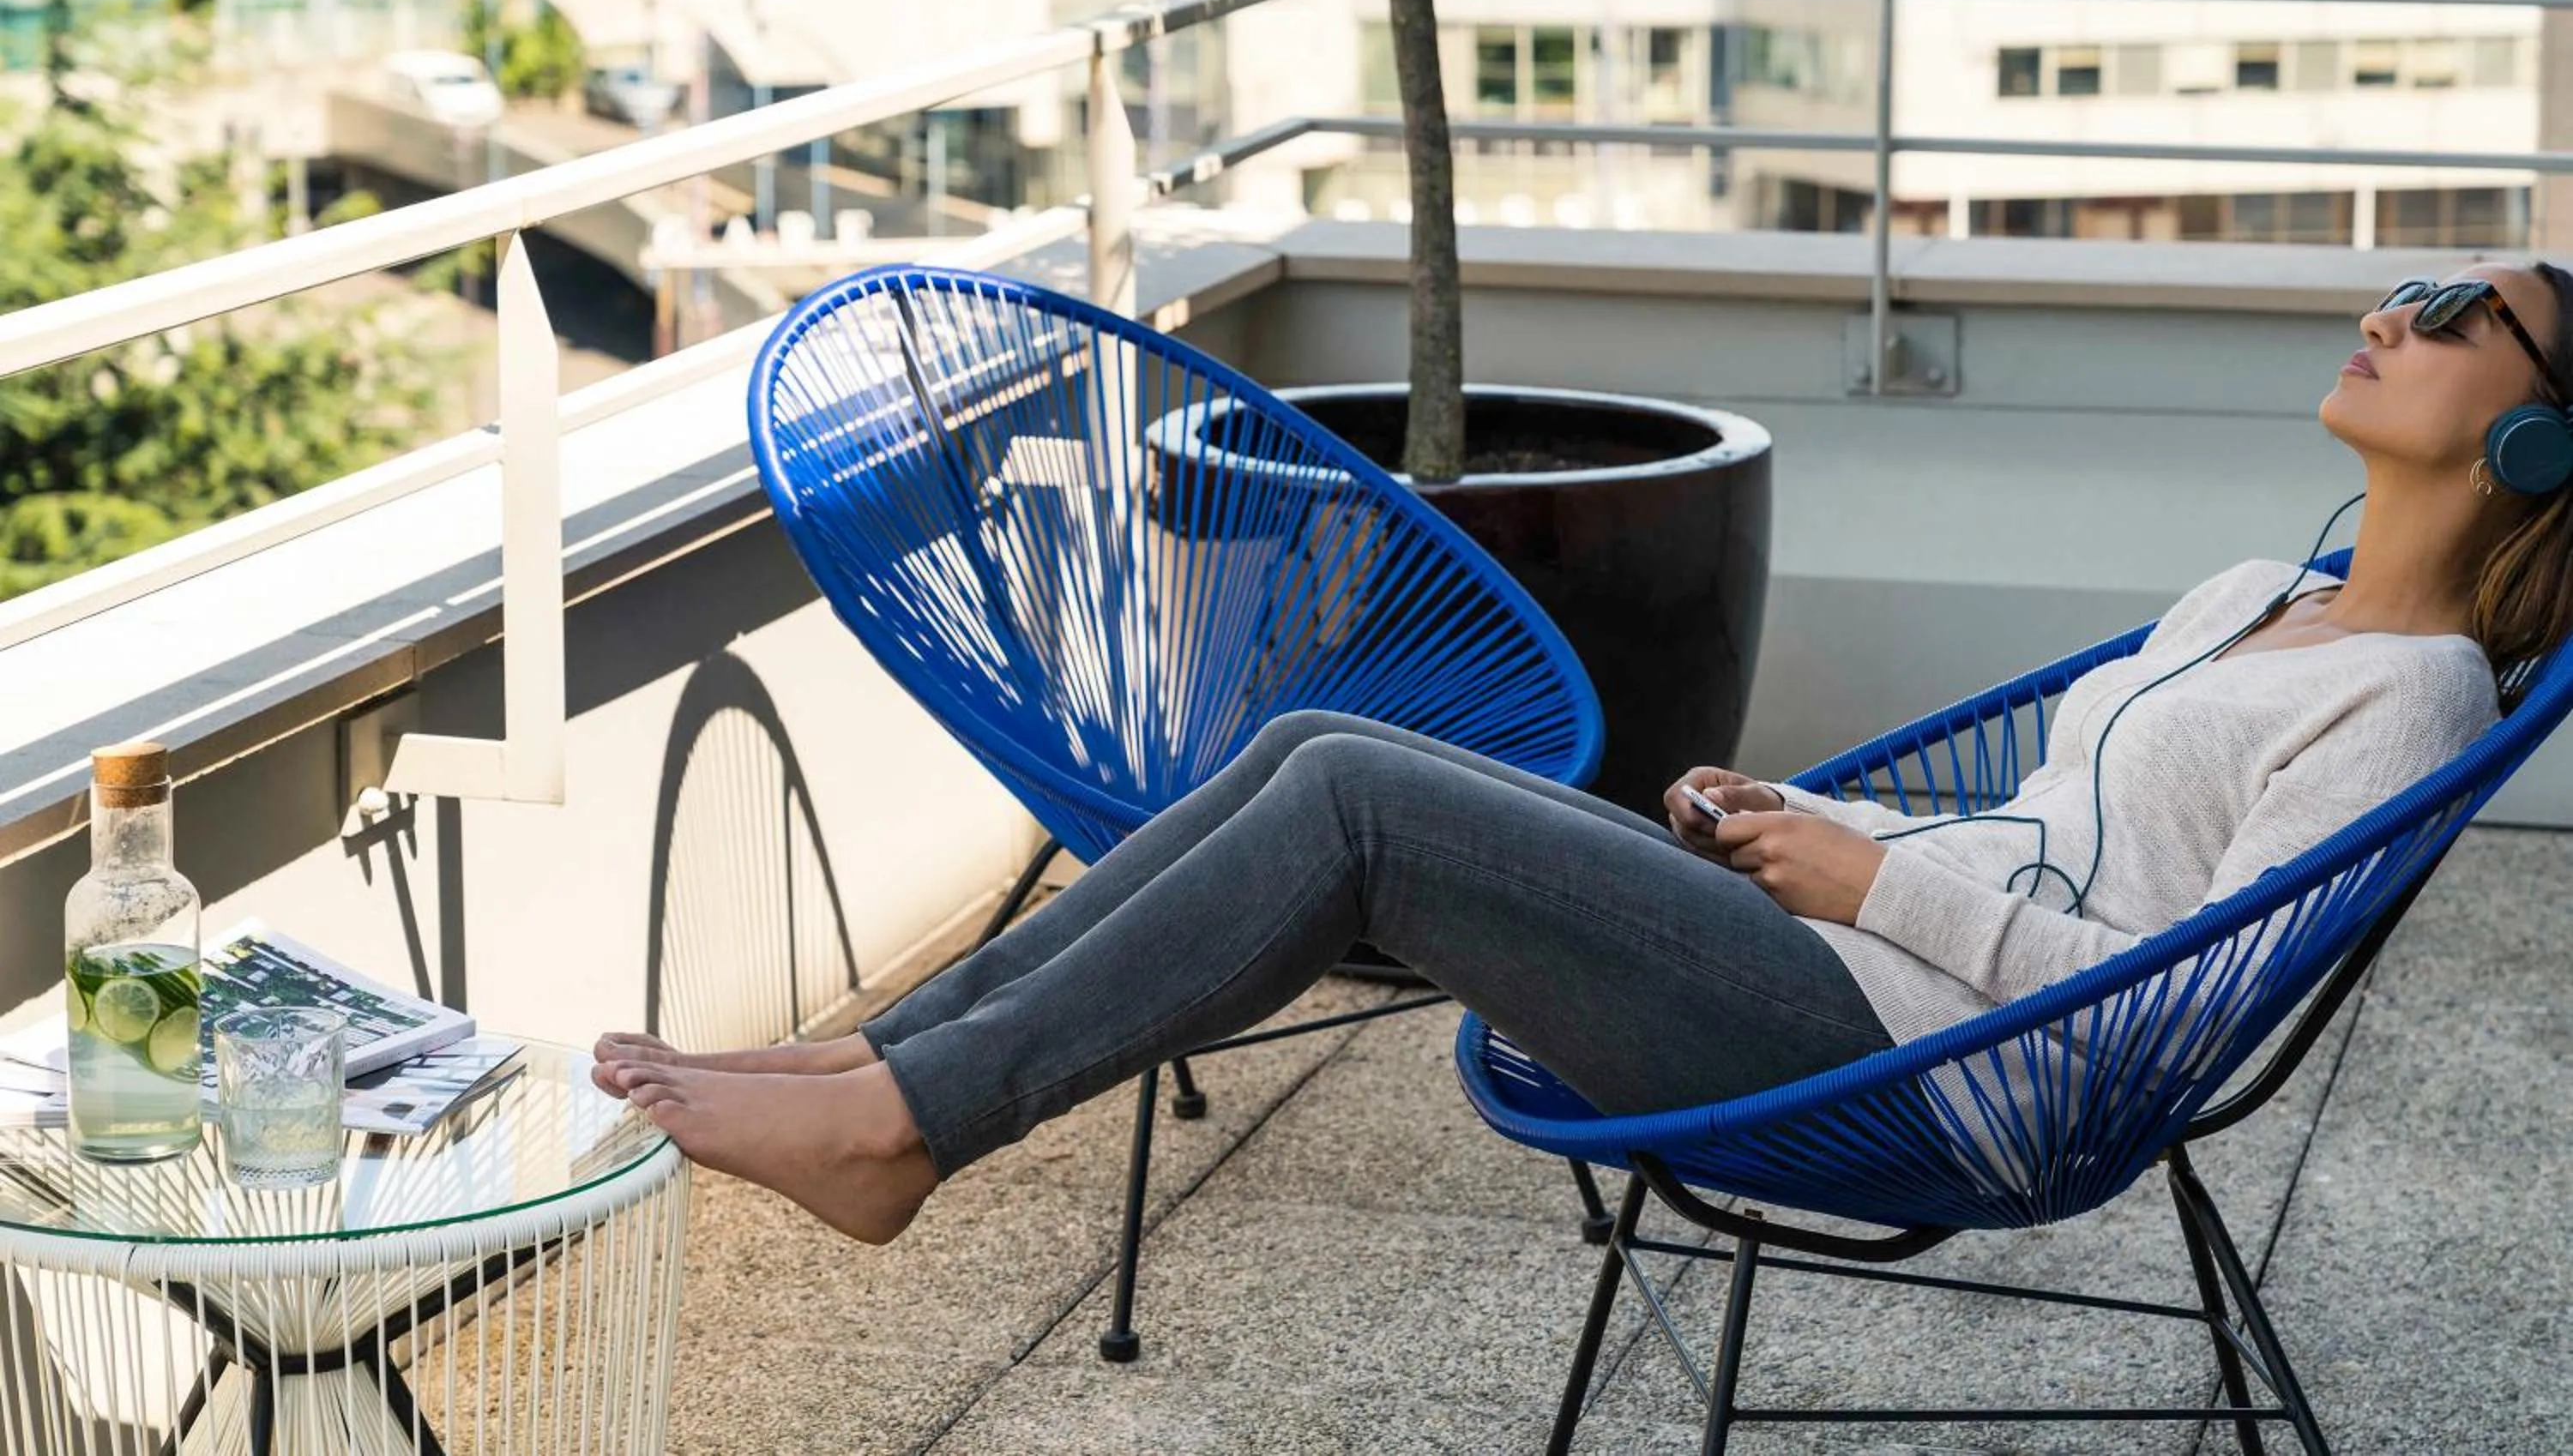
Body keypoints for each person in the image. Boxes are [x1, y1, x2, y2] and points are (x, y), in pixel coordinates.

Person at [594, 260, 2571, 1247]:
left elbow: (2165, 1018)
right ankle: (883, 1065)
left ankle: (900, 1129)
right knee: (1314, 727)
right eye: (2408, 283)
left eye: (2467, 309)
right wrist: (1813, 820)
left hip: (1958, 1084)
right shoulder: (2254, 593)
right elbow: (2058, 837)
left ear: (2543, 441)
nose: (2397, 310)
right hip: (1860, 963)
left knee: (1359, 800)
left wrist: (1873, 883)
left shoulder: (2408, 696)